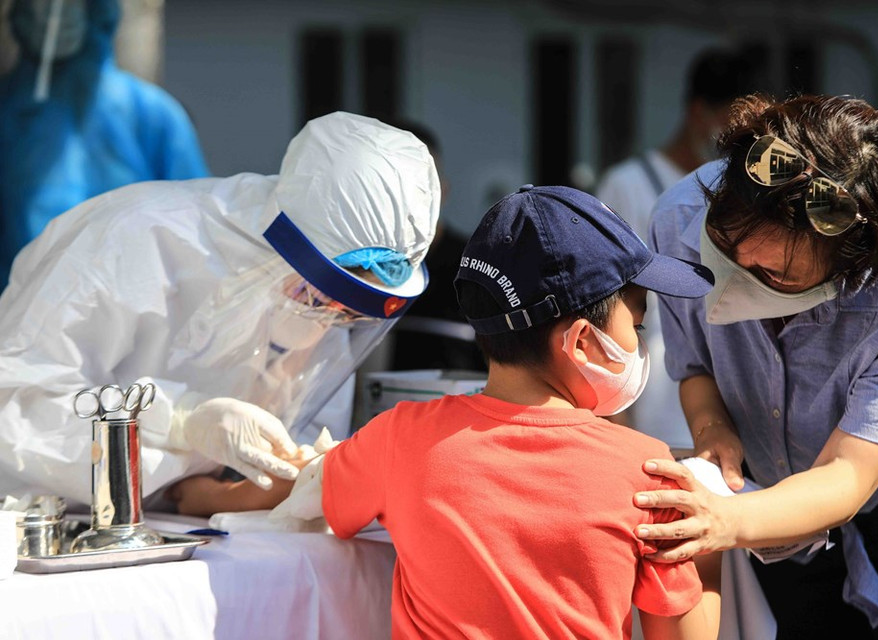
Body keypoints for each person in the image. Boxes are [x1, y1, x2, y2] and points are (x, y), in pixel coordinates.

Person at [258, 185, 721, 638]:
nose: (639, 340)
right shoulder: (650, 474)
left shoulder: (399, 436)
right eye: (637, 325)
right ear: (582, 341)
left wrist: (212, 482)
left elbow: (296, 490)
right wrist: (710, 533)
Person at [632, 94, 878, 639]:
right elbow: (695, 365)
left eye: (776, 276)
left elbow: (849, 473)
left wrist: (725, 520)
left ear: (852, 267)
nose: (734, 282)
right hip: (766, 495)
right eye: (726, 249)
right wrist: (712, 429)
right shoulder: (679, 218)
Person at [0, 111, 441, 508]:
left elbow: (297, 456)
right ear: (287, 245)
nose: (329, 321)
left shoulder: (324, 303)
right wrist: (181, 420)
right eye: (319, 299)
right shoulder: (130, 240)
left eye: (349, 316)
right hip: (42, 521)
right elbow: (18, 403)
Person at [595, 47, 753, 445]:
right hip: (657, 406)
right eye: (730, 123)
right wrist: (617, 428)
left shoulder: (746, 191)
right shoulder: (628, 185)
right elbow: (603, 309)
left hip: (739, 410)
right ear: (699, 112)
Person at [0, 0, 209, 289]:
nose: (54, 12)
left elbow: (196, 233)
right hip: (17, 307)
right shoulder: (7, 111)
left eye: (72, 3)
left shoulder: (151, 114)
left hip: (128, 309)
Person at [381, 119, 486, 373]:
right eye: (391, 184)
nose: (405, 198)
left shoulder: (479, 270)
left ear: (443, 191)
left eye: (419, 185)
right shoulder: (346, 269)